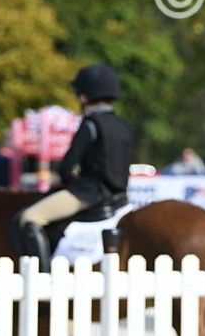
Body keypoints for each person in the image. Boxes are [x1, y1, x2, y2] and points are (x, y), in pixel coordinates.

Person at [17, 63, 134, 273]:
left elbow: (66, 167)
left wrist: (69, 179)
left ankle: (43, 281)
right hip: (120, 197)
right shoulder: (123, 125)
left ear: (84, 96)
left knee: (30, 218)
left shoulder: (91, 124)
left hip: (90, 194)